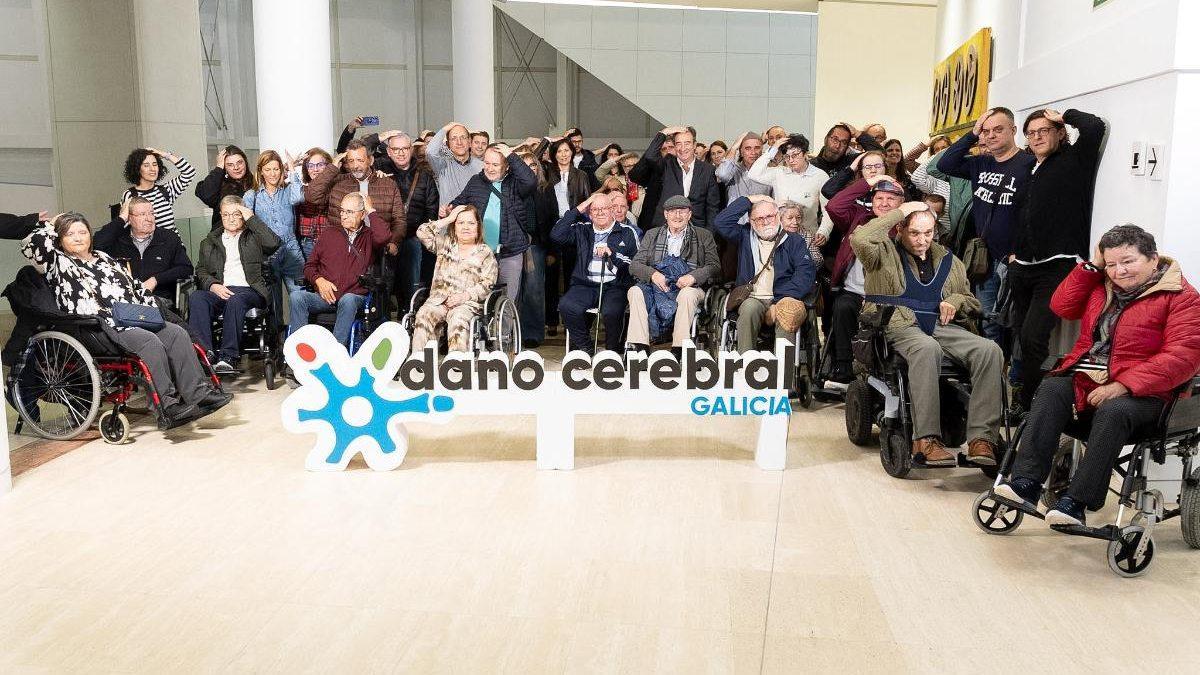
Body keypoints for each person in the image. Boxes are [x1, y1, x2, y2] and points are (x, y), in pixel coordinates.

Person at [995, 225, 1200, 526]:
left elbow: (1183, 357)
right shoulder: (1102, 284)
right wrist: (1092, 267)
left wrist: (1124, 385)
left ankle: (1076, 502)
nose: (1119, 272)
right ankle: (1026, 484)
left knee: (1114, 410)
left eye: (1128, 261)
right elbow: (1061, 305)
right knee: (1051, 389)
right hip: (1089, 380)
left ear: (1154, 259)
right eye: (1112, 263)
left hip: (1150, 395)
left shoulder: (1183, 298)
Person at [23, 212, 230, 427]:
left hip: (132, 316)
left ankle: (198, 393)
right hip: (99, 326)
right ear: (60, 238)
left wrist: (152, 311)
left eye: (82, 232)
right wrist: (51, 224)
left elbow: (134, 288)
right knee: (149, 341)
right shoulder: (57, 263)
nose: (78, 237)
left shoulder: (105, 258)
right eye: (69, 233)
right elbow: (31, 245)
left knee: (175, 333)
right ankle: (167, 406)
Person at [851, 203, 1002, 467]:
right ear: (901, 229)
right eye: (914, 233)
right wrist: (901, 209)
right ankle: (926, 439)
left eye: (929, 233)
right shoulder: (881, 253)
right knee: (926, 348)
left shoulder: (948, 260)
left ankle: (982, 439)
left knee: (990, 350)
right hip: (898, 324)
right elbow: (860, 238)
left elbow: (970, 300)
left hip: (941, 324)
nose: (922, 241)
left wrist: (955, 301)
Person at [1007, 108, 1107, 412]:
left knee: (1034, 336)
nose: (1037, 137)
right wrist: (1013, 254)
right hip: (1023, 266)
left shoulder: (1074, 160)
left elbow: (1094, 126)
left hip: (1057, 266)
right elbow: (1021, 216)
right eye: (1031, 132)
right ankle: (1023, 391)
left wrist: (1064, 115)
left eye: (1044, 131)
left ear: (1059, 133)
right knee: (1020, 335)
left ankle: (1031, 405)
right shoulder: (1030, 169)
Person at [937, 107, 1037, 344]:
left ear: (1013, 130)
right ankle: (994, 371)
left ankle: (1015, 376)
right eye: (986, 130)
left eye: (998, 129)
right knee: (987, 317)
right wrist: (972, 133)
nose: (991, 135)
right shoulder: (980, 164)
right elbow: (944, 164)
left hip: (1017, 257)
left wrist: (1022, 250)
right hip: (985, 258)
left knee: (1017, 319)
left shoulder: (1030, 164)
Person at [824, 176, 907, 383]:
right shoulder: (859, 217)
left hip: (887, 296)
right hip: (853, 291)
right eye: (879, 198)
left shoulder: (904, 226)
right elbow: (834, 206)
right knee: (842, 307)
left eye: (891, 198)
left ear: (901, 204)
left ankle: (881, 369)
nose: (884, 203)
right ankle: (843, 368)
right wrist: (870, 181)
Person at [188, 196, 281, 375]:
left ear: (243, 215)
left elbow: (274, 243)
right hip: (220, 289)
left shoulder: (254, 237)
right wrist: (213, 285)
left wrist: (251, 217)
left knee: (236, 300)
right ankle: (205, 354)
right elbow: (201, 270)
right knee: (197, 297)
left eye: (236, 214)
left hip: (250, 290)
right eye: (226, 215)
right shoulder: (209, 242)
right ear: (220, 216)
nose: (230, 219)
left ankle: (228, 357)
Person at [289, 193, 392, 347]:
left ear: (362, 214)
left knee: (348, 299)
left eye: (349, 212)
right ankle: (299, 354)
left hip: (355, 297)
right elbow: (309, 266)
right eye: (342, 211)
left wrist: (371, 210)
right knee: (297, 297)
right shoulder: (329, 234)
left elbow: (384, 237)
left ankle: (336, 353)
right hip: (326, 297)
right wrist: (319, 280)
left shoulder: (369, 237)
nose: (343, 216)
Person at [715, 195, 816, 352]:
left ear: (777, 216)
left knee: (787, 313)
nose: (765, 221)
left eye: (769, 216)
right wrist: (749, 199)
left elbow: (805, 273)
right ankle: (746, 364)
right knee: (749, 309)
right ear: (751, 221)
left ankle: (783, 372)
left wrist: (779, 302)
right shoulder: (745, 236)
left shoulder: (794, 240)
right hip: (752, 298)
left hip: (783, 297)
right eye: (758, 218)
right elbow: (721, 222)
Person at [626, 195, 721, 351]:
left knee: (687, 295)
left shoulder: (704, 235)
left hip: (690, 287)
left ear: (689, 214)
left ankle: (679, 348)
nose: (677, 216)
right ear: (665, 214)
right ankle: (639, 347)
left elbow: (714, 266)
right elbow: (635, 265)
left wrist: (693, 277)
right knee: (635, 291)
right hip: (657, 288)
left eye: (682, 211)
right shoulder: (652, 235)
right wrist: (653, 274)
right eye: (672, 211)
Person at [552, 192, 640, 354]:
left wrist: (612, 254)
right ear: (589, 214)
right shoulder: (582, 230)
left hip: (615, 285)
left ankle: (612, 352)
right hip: (585, 284)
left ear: (612, 210)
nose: (600, 213)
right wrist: (580, 208)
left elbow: (636, 263)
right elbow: (556, 235)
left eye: (604, 209)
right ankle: (586, 347)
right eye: (595, 210)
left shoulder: (627, 232)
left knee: (611, 312)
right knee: (566, 305)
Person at [449, 143, 538, 301]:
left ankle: (504, 327)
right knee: (477, 300)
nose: (490, 168)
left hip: (509, 253)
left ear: (506, 166)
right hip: (478, 253)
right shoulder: (476, 181)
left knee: (507, 302)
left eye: (495, 164)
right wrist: (449, 208)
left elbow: (530, 181)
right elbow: (460, 202)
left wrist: (511, 155)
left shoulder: (515, 184)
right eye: (487, 163)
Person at [411, 205, 499, 353]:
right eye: (460, 223)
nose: (466, 227)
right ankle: (421, 362)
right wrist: (448, 218)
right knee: (424, 314)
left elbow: (487, 284)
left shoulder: (485, 253)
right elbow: (422, 232)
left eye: (471, 223)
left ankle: (457, 364)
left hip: (467, 304)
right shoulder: (445, 244)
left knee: (458, 318)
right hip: (438, 301)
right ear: (454, 227)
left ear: (478, 227)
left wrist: (463, 296)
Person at [303, 140, 406, 259]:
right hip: (342, 251)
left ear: (370, 160)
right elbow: (312, 196)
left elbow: (399, 219)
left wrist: (394, 242)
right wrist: (332, 168)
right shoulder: (338, 182)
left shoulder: (388, 184)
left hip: (378, 252)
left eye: (360, 160)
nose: (355, 165)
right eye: (351, 161)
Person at [375, 131, 441, 314]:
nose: (401, 153)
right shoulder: (380, 172)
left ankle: (410, 318)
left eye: (405, 148)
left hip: (413, 238)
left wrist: (421, 233)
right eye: (396, 149)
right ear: (388, 151)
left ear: (411, 149)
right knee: (384, 286)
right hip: (387, 238)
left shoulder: (424, 175)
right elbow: (357, 154)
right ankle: (384, 324)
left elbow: (431, 209)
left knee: (411, 284)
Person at [93, 196, 194, 309]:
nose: (149, 218)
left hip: (158, 299)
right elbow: (96, 244)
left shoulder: (168, 238)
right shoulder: (118, 240)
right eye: (142, 214)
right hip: (124, 300)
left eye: (151, 213)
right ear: (129, 219)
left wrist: (156, 280)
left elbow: (186, 268)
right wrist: (121, 218)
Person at [537, 137, 592, 334]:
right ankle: (551, 320)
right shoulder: (546, 172)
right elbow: (532, 161)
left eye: (566, 150)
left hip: (574, 228)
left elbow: (587, 205)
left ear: (572, 152)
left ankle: (571, 321)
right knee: (551, 277)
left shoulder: (581, 175)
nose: (563, 154)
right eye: (559, 151)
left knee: (572, 276)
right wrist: (545, 141)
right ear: (554, 154)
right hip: (552, 228)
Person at [244, 150, 306, 322]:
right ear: (261, 171)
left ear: (281, 170)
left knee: (300, 295)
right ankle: (276, 341)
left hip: (291, 249)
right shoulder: (252, 196)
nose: (272, 173)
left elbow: (298, 198)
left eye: (276, 169)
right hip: (267, 253)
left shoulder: (287, 191)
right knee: (273, 302)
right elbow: (246, 224)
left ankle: (299, 337)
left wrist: (292, 169)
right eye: (268, 169)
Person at [628, 126, 722, 230]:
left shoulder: (708, 170)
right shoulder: (666, 164)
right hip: (665, 229)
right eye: (678, 144)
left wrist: (708, 235)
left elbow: (712, 207)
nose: (683, 148)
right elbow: (650, 156)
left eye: (687, 143)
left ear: (694, 145)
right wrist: (664, 133)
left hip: (696, 230)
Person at [748, 134, 831, 246]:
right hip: (780, 237)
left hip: (808, 237)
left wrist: (824, 231)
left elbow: (829, 209)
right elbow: (753, 174)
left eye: (795, 155)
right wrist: (774, 148)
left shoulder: (820, 176)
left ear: (805, 154)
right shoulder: (779, 173)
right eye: (787, 157)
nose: (791, 160)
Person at [120, 147, 196, 233]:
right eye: (146, 165)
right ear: (137, 169)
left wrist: (165, 155)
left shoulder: (166, 190)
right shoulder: (130, 195)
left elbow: (189, 172)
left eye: (155, 164)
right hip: (147, 245)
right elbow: (125, 226)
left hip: (174, 245)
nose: (152, 169)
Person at [426, 122, 484, 207]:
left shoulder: (482, 167)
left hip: (474, 218)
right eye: (453, 138)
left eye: (463, 137)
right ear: (448, 144)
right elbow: (430, 152)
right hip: (448, 218)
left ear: (470, 141)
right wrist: (446, 128)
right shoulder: (443, 165)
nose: (459, 142)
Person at [195, 145, 252, 230]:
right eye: (230, 165)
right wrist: (219, 168)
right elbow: (206, 195)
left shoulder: (256, 183)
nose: (236, 167)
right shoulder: (219, 184)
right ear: (224, 167)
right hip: (222, 238)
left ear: (245, 163)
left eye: (239, 162)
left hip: (249, 238)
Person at [295, 147, 335, 259]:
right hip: (306, 243)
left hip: (330, 242)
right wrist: (290, 165)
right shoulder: (301, 189)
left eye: (320, 165)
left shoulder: (336, 186)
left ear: (328, 166)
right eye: (311, 166)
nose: (315, 169)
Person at [715, 132, 771, 208]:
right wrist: (734, 147)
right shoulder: (734, 170)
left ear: (761, 151)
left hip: (762, 217)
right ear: (741, 152)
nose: (753, 152)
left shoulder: (769, 172)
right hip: (738, 219)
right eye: (748, 148)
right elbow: (722, 174)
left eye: (757, 148)